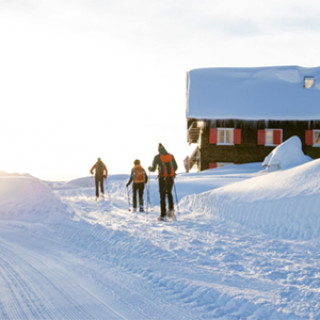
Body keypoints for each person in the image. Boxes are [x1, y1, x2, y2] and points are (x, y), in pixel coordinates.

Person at [148, 143, 178, 220]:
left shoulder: (157, 157)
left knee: (162, 195)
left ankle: (163, 214)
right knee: (169, 193)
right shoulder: (171, 156)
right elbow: (176, 167)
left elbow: (153, 169)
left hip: (162, 179)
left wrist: (149, 168)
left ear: (158, 150)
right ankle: (171, 211)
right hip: (171, 178)